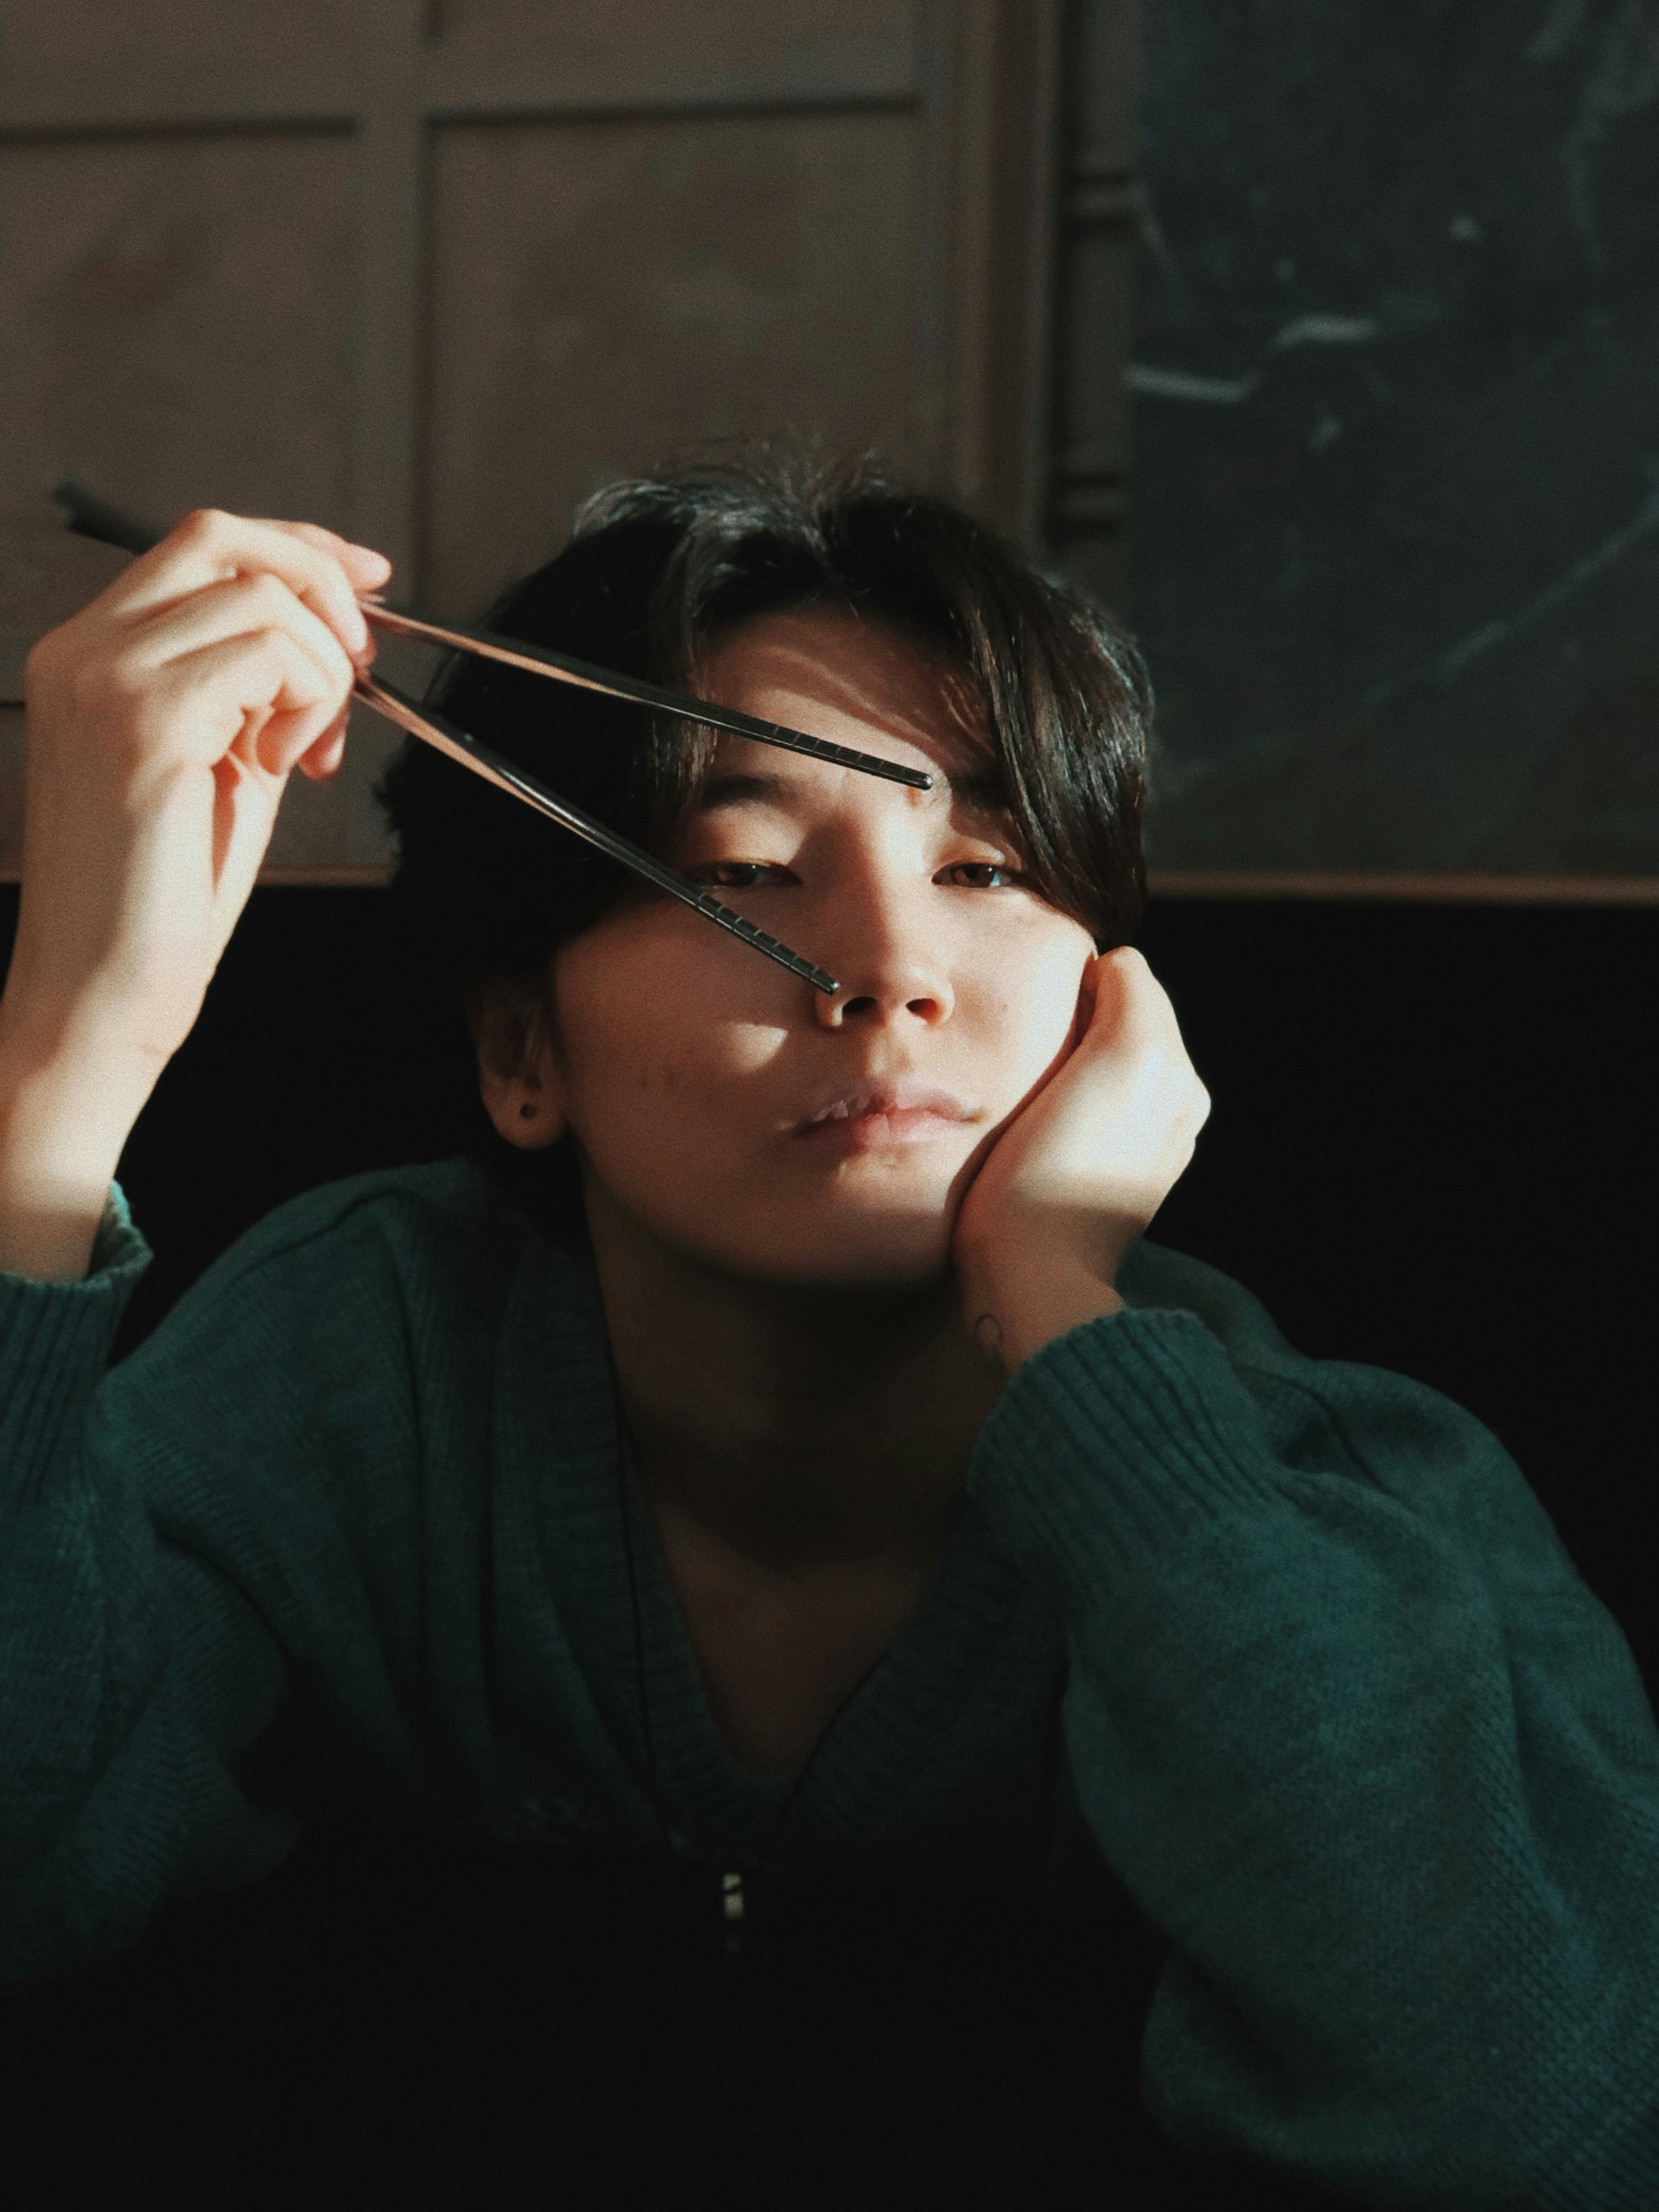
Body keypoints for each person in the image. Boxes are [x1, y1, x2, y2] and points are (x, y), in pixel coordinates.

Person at [1, 452, 1656, 2209]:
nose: (890, 968)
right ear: (519, 1055)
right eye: (755, 868)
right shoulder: (356, 1377)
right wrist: (65, 1062)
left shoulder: (1341, 1500)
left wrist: (1065, 1318)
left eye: (991, 870)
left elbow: (1530, 2124)